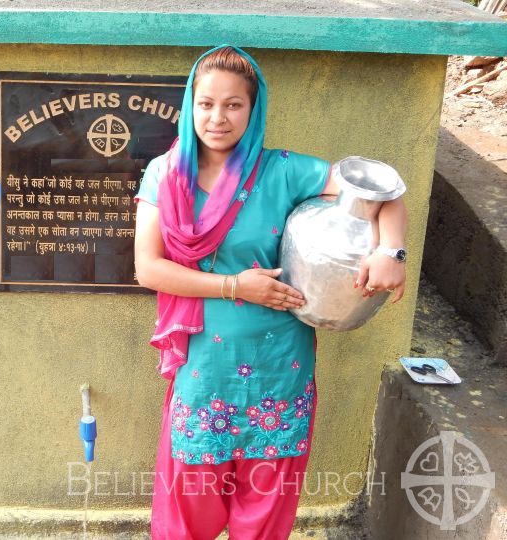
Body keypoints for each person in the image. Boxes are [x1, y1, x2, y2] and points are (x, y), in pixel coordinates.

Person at [133, 45, 408, 540]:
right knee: (189, 501)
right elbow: (148, 269)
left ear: (253, 110)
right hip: (204, 363)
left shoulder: (283, 171)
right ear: (189, 105)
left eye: (233, 105)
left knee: (266, 501)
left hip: (280, 361)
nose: (217, 118)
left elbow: (382, 191)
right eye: (206, 103)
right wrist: (238, 286)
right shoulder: (166, 174)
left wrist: (391, 251)